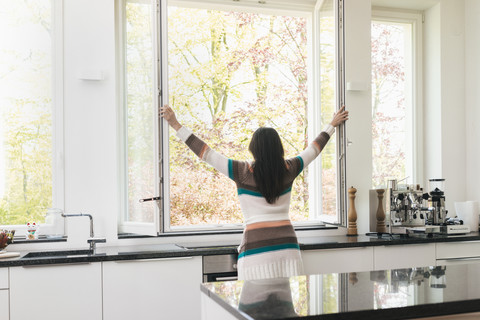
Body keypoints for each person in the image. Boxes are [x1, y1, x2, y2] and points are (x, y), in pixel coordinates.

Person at [161, 105, 349, 280]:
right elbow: (314, 149)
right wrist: (331, 125)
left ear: (254, 148)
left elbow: (205, 153)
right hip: (288, 248)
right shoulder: (289, 168)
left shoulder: (241, 171)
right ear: (278, 148)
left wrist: (176, 124)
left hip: (256, 252)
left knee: (254, 312)